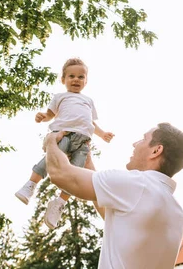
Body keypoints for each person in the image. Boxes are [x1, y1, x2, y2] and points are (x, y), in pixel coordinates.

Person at [44, 122, 183, 269]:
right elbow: (118, 220)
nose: (135, 144)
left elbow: (59, 173)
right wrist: (88, 165)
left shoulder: (137, 184)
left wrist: (51, 141)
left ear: (156, 151)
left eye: (143, 139)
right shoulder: (177, 213)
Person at [14, 58, 114, 229]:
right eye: (71, 76)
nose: (76, 80)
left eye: (81, 77)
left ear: (86, 81)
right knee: (50, 161)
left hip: (83, 142)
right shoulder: (60, 97)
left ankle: (59, 203)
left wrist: (102, 133)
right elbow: (49, 114)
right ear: (63, 80)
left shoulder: (88, 101)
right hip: (63, 135)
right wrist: (42, 117)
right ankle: (31, 184)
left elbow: (91, 123)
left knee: (75, 173)